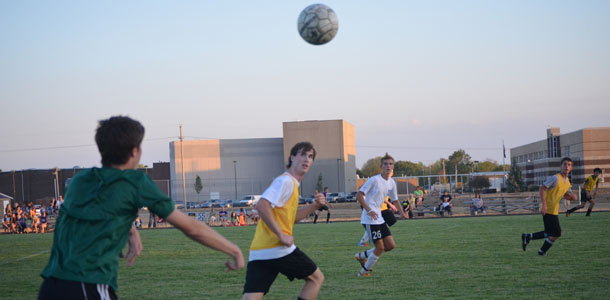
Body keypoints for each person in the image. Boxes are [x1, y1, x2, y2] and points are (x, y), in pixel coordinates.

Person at [38, 116, 244, 300]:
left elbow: (101, 208)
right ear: (134, 151)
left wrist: (130, 230)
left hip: (51, 285)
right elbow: (191, 227)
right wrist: (233, 250)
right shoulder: (134, 182)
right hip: (87, 285)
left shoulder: (80, 181)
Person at [242, 142, 327, 300]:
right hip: (278, 248)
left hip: (259, 250)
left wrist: (315, 206)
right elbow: (261, 205)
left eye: (310, 156)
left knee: (251, 297)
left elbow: (291, 218)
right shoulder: (286, 181)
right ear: (292, 157)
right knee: (316, 279)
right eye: (302, 154)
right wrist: (281, 235)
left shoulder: (292, 184)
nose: (307, 159)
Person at [354, 153, 406, 277]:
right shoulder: (374, 180)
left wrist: (402, 213)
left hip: (379, 217)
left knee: (390, 245)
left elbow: (395, 200)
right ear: (381, 166)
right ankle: (363, 272)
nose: (388, 166)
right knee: (380, 247)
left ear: (393, 167)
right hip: (369, 218)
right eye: (386, 164)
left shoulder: (392, 182)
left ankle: (362, 256)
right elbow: (359, 195)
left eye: (391, 164)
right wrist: (368, 210)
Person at [522, 157, 576, 256]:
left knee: (549, 232)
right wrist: (544, 205)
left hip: (554, 209)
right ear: (561, 166)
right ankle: (541, 250)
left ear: (571, 168)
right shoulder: (555, 178)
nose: (566, 166)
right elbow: (542, 189)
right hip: (548, 208)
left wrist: (572, 197)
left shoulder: (567, 182)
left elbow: (565, 195)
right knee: (556, 233)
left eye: (569, 165)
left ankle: (529, 238)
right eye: (564, 164)